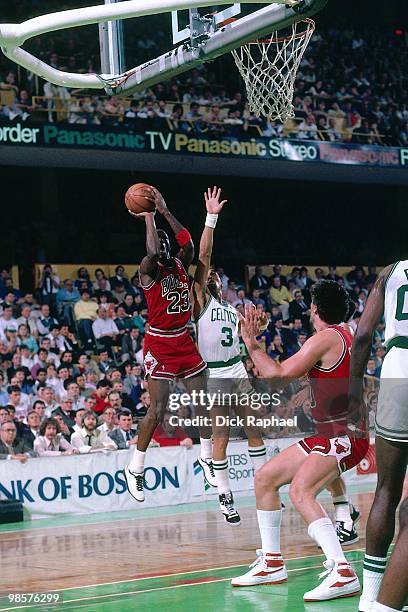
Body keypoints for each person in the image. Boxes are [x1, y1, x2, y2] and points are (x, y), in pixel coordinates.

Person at [232, 281, 369, 602]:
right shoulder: (346, 333)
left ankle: (342, 571)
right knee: (265, 478)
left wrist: (251, 343)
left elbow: (277, 374)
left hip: (342, 435)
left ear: (315, 309)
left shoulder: (326, 338)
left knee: (300, 491)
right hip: (332, 433)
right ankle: (272, 563)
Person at [124, 186, 214, 503]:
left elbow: (187, 243)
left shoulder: (178, 264)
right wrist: (148, 216)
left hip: (183, 341)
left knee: (203, 401)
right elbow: (150, 252)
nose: (163, 243)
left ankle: (207, 457)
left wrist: (164, 210)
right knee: (158, 409)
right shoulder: (148, 270)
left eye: (165, 241)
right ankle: (136, 467)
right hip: (160, 344)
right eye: (159, 240)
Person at [191, 187, 267, 525]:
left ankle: (265, 485)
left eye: (214, 275)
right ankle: (224, 495)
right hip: (215, 374)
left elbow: (255, 333)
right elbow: (204, 254)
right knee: (221, 434)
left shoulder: (229, 308)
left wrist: (259, 323)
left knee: (255, 429)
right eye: (208, 274)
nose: (212, 274)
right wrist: (211, 217)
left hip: (237, 369)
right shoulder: (201, 302)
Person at [348, 261, 408, 612]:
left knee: (386, 488)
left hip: (397, 368)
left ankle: (370, 595)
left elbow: (363, 336)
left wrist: (353, 397)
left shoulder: (391, 271)